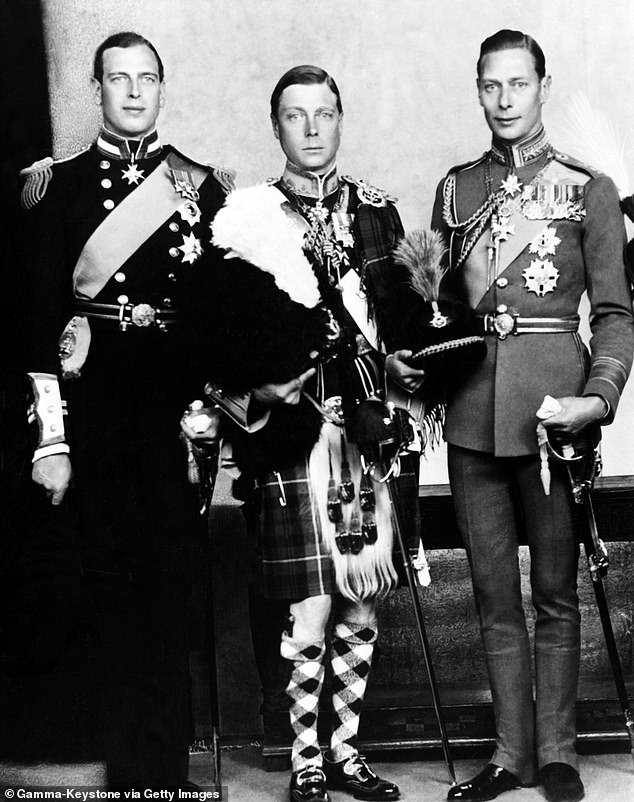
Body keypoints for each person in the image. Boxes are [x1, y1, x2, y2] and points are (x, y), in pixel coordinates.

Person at [188, 65, 424, 802]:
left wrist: (407, 390)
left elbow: (403, 326)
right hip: (293, 433)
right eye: (296, 116)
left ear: (341, 119)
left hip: (362, 434)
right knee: (307, 604)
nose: (312, 128)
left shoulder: (376, 214)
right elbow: (215, 337)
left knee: (357, 595)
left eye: (324, 113)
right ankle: (305, 758)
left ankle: (348, 752)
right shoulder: (246, 219)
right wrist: (256, 396)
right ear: (277, 127)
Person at [20, 31, 231, 789]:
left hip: (175, 412)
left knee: (171, 591)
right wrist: (51, 442)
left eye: (147, 79)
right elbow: (36, 325)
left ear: (162, 88)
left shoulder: (201, 187)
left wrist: (217, 414)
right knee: (111, 595)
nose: (134, 92)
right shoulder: (59, 187)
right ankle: (130, 775)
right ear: (96, 89)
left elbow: (218, 317)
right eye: (119, 79)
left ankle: (168, 774)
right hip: (98, 409)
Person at [430, 29, 634, 802]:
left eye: (519, 84)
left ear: (543, 86)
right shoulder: (458, 192)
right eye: (491, 85)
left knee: (554, 591)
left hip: (553, 415)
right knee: (492, 595)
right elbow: (444, 315)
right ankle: (508, 755)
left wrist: (596, 398)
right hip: (473, 413)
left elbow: (615, 314)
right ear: (478, 89)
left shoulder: (589, 188)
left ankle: (558, 754)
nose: (505, 100)